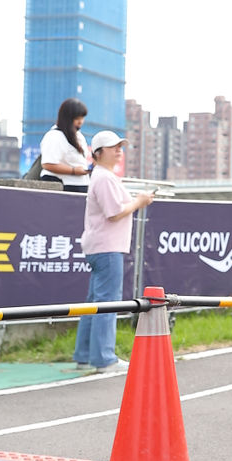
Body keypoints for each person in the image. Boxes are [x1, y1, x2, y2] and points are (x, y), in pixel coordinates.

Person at [74, 131, 154, 372]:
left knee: (94, 303)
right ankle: (103, 358)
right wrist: (139, 202)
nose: (119, 150)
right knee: (106, 303)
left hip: (102, 246)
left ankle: (85, 355)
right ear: (98, 153)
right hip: (107, 248)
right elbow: (114, 213)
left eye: (120, 146)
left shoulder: (102, 176)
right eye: (113, 147)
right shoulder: (104, 178)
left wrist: (137, 201)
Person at [40, 98, 91, 192]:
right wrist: (74, 171)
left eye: (82, 118)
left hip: (80, 185)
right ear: (67, 118)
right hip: (63, 186)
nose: (81, 122)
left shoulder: (78, 135)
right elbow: (48, 164)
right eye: (77, 118)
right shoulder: (54, 136)